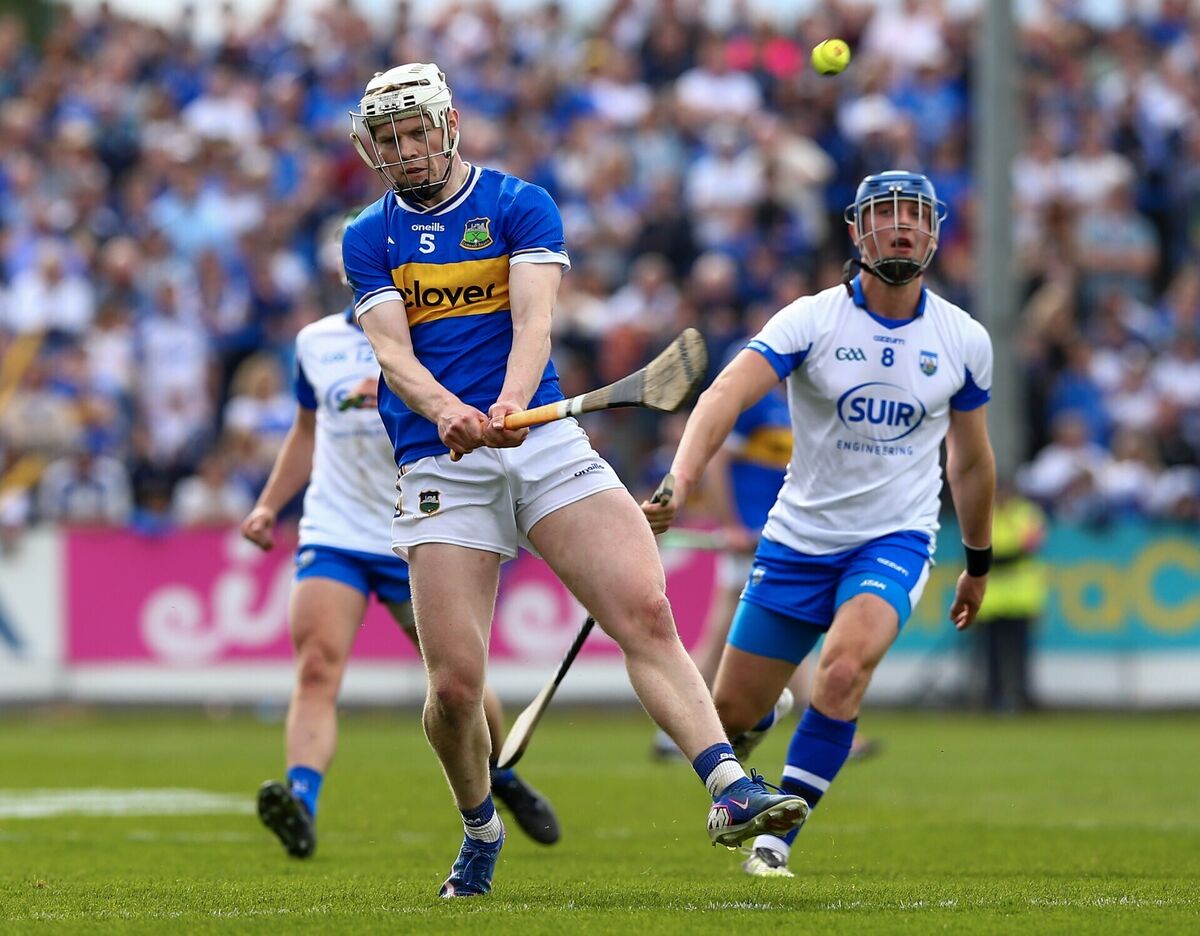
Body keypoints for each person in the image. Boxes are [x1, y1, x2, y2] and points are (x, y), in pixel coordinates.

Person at [342, 62, 807, 897]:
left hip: (544, 442)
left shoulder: (521, 205)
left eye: (415, 132)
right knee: (453, 687)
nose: (405, 151)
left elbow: (534, 321)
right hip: (439, 460)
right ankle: (481, 828)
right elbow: (391, 355)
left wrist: (511, 402)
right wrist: (450, 411)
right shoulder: (367, 235)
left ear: (448, 125)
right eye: (389, 139)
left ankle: (728, 789)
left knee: (647, 610)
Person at [643, 170, 995, 879]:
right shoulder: (810, 319)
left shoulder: (963, 338)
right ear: (855, 231)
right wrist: (679, 481)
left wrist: (978, 562)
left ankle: (775, 844)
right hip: (798, 541)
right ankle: (766, 714)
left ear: (935, 232)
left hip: (893, 538)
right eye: (886, 215)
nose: (902, 228)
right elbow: (722, 397)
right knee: (730, 716)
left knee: (840, 671)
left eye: (915, 217)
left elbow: (973, 462)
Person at [241, 216, 560, 861]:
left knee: (458, 683)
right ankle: (301, 799)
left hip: (418, 522)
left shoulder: (441, 337)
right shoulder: (313, 344)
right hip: (334, 529)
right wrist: (271, 504)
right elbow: (307, 432)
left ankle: (498, 773)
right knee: (316, 664)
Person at [974, 480, 1047, 713]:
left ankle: (1023, 697)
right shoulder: (984, 514)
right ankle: (993, 698)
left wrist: (994, 558)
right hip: (992, 600)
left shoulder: (1027, 513)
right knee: (992, 655)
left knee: (1021, 653)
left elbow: (1028, 546)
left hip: (1020, 599)